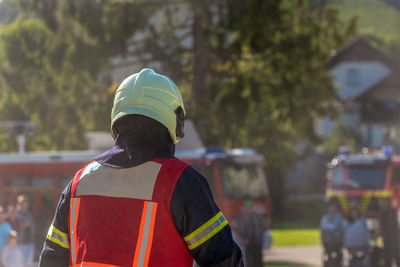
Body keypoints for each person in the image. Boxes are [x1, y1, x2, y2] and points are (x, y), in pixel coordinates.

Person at [39, 68, 243, 267]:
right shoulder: (181, 181)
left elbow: (51, 259)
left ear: (117, 118)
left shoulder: (79, 183)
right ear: (175, 120)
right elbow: (224, 259)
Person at [235, 200, 266, 267]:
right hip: (248, 244)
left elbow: (262, 228)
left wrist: (261, 238)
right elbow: (240, 231)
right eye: (247, 207)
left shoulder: (258, 216)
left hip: (257, 243)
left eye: (250, 207)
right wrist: (243, 240)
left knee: (259, 262)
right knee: (250, 262)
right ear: (245, 208)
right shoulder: (242, 218)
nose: (249, 208)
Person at [320, 202, 344, 267]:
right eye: (331, 207)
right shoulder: (325, 218)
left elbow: (342, 230)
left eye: (333, 207)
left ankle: (337, 262)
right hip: (328, 241)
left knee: (337, 249)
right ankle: (330, 262)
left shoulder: (339, 218)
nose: (332, 209)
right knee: (328, 245)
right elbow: (322, 230)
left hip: (337, 241)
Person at [378, 198, 400, 267]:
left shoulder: (391, 211)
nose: (380, 203)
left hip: (392, 238)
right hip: (387, 239)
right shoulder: (383, 212)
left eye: (382, 201)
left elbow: (393, 225)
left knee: (395, 255)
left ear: (386, 202)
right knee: (387, 257)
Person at [16, 195, 35, 267]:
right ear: (19, 205)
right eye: (23, 205)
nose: (25, 206)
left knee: (29, 264)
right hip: (21, 243)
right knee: (21, 264)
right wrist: (24, 225)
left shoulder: (29, 214)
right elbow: (15, 227)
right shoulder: (16, 214)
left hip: (30, 243)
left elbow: (32, 226)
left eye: (26, 205)